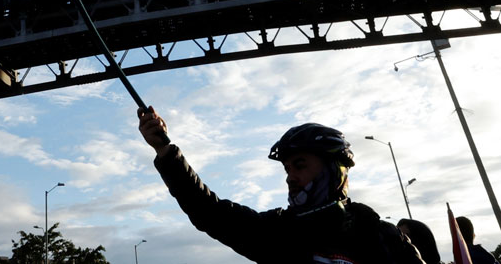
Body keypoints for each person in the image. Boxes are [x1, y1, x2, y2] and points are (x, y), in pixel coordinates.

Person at [137, 109, 425, 264]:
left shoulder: (381, 235)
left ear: (333, 172)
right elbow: (210, 213)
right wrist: (165, 151)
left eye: (299, 166)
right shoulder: (278, 231)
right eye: (287, 169)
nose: (290, 177)